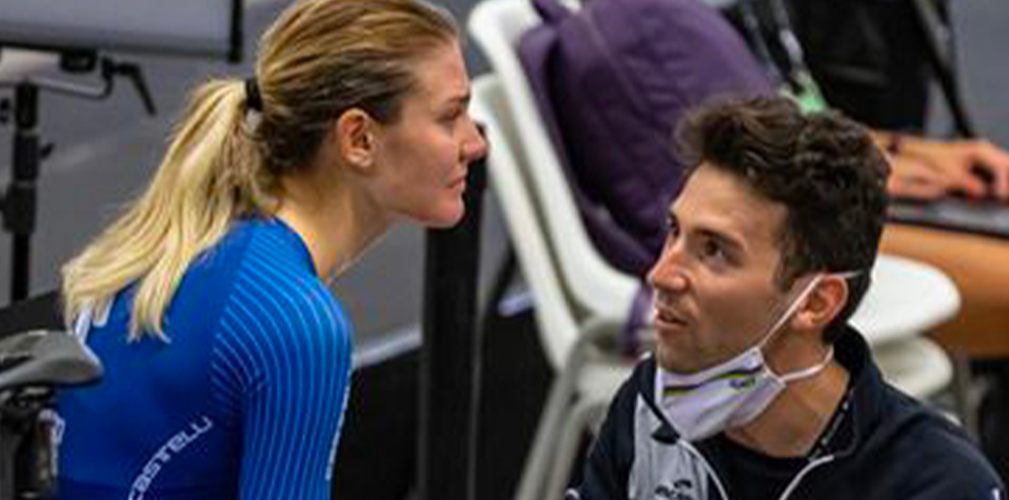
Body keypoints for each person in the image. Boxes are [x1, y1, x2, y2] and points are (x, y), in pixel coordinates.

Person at [54, 0, 487, 497]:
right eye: (450, 116)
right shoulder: (295, 323)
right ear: (359, 139)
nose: (475, 142)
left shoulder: (197, 240)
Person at [568, 96, 1004, 500]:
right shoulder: (648, 408)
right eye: (674, 231)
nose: (661, 275)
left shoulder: (939, 486)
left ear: (816, 303)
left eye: (714, 250)